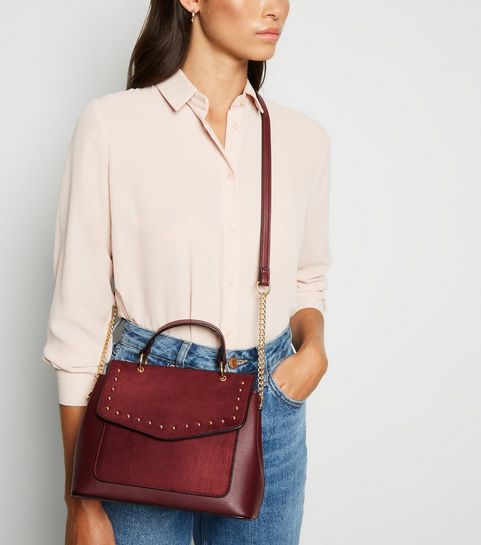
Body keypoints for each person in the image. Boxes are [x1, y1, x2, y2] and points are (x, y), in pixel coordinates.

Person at [42, 1, 331, 543]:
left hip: (271, 403)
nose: (275, 9)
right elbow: (78, 323)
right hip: (143, 405)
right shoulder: (112, 125)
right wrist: (79, 501)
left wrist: (312, 350)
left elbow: (306, 278)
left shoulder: (303, 138)